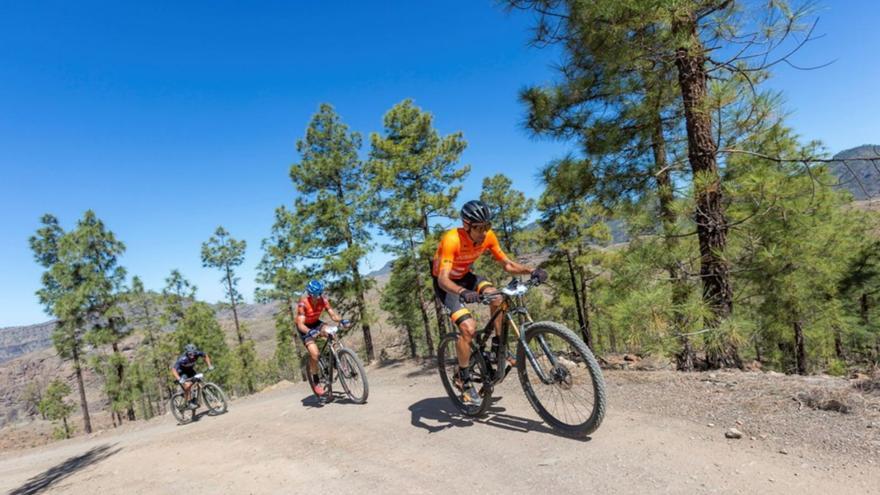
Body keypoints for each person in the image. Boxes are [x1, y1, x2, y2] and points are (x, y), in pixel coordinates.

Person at [432, 200, 547, 406]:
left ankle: (497, 347)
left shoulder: (488, 237)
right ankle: (464, 379)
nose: (485, 232)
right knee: (468, 328)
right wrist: (463, 292)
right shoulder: (452, 239)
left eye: (488, 226)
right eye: (479, 227)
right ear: (466, 225)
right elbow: (443, 278)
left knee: (497, 297)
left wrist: (531, 271)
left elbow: (508, 264)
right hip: (447, 284)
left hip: (466, 277)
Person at [296, 280, 347, 396]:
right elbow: (300, 324)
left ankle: (336, 361)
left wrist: (341, 320)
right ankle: (316, 380)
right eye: (314, 295)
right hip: (305, 328)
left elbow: (333, 315)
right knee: (315, 354)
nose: (316, 298)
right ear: (309, 294)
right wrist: (310, 331)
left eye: (318, 294)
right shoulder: (303, 304)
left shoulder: (323, 300)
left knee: (332, 333)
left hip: (316, 323)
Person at [171, 343, 213, 409]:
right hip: (182, 373)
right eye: (190, 354)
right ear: (187, 353)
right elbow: (173, 369)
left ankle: (194, 398)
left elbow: (205, 355)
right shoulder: (182, 358)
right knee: (188, 385)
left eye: (193, 353)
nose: (192, 355)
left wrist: (209, 365)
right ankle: (189, 402)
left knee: (198, 380)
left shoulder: (197, 353)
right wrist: (179, 379)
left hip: (190, 371)